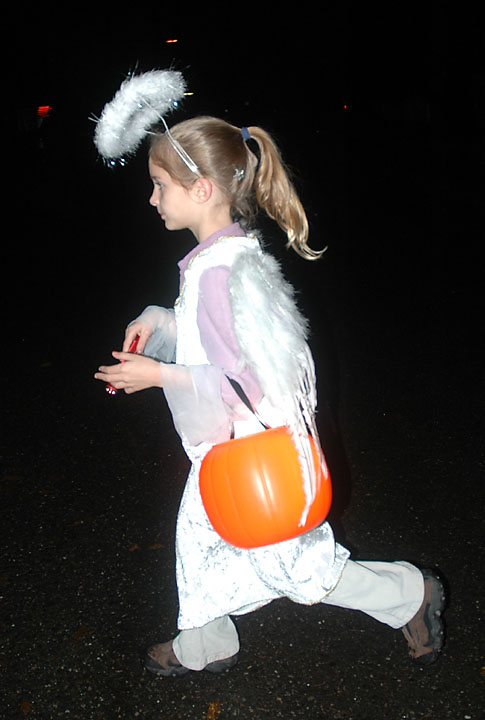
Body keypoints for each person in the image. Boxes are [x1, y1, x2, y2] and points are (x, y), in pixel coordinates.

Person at [94, 116, 446, 675]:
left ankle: (408, 594)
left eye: (160, 184)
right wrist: (161, 321)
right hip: (231, 446)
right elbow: (215, 341)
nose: (152, 198)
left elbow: (246, 382)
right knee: (198, 547)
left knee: (300, 568)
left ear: (201, 190)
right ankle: (203, 647)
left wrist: (160, 375)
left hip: (251, 452)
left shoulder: (219, 271)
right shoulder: (219, 257)